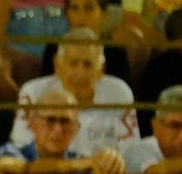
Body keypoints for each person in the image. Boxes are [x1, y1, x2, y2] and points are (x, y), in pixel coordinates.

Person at [9, 26, 138, 155]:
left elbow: (131, 153)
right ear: (57, 65)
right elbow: (21, 154)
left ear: (101, 69)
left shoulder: (120, 93)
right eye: (73, 63)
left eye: (88, 64)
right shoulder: (32, 94)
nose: (80, 73)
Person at [0, 85, 126, 174]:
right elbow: (20, 167)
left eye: (65, 121)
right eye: (50, 120)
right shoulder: (10, 152)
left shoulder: (82, 162)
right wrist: (83, 164)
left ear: (76, 129)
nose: (58, 130)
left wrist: (112, 163)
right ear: (32, 124)